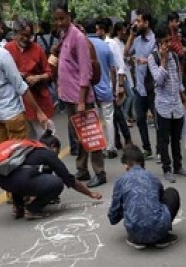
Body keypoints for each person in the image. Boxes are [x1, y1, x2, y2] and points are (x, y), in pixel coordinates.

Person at [0, 9, 50, 147]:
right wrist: (38, 111)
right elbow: (20, 87)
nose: (1, 29)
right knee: (19, 153)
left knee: (5, 152)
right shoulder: (2, 53)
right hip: (11, 112)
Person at [49, 1, 106, 188]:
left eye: (62, 18)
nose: (58, 22)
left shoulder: (78, 37)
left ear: (69, 16)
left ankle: (99, 171)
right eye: (56, 19)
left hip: (79, 97)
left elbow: (85, 71)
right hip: (68, 97)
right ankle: (82, 169)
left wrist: (82, 100)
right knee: (78, 136)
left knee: (90, 134)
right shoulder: (63, 35)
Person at [0, 132, 102, 219]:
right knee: (57, 183)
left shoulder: (28, 147)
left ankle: (18, 208)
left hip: (1, 179)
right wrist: (90, 194)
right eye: (57, 151)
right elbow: (69, 180)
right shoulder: (47, 154)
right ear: (53, 146)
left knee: (20, 174)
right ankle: (32, 209)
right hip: (20, 180)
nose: (57, 154)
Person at [109, 145, 180, 249]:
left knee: (126, 199)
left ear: (126, 166)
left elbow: (113, 218)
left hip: (134, 233)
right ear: (143, 164)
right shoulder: (153, 177)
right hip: (159, 230)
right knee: (172, 192)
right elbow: (160, 198)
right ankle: (163, 236)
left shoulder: (121, 181)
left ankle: (138, 238)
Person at [149, 24, 186, 183]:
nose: (168, 44)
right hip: (163, 106)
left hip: (176, 105)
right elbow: (158, 81)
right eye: (165, 41)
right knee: (163, 139)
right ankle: (167, 169)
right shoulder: (152, 58)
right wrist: (163, 60)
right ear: (158, 42)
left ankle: (178, 166)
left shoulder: (174, 56)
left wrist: (184, 98)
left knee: (176, 138)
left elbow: (178, 79)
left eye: (169, 40)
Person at [6, 18, 56, 140]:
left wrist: (38, 77)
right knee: (28, 142)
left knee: (47, 139)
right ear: (15, 33)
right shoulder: (7, 50)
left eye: (29, 36)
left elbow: (49, 73)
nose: (26, 39)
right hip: (19, 104)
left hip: (39, 99)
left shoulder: (37, 49)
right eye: (22, 35)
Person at [124, 9, 157, 159]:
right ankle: (147, 148)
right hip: (140, 87)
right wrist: (131, 35)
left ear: (147, 23)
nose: (136, 23)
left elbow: (159, 59)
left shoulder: (154, 40)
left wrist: (148, 60)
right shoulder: (136, 39)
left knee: (158, 120)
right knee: (140, 119)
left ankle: (160, 150)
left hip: (154, 87)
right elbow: (126, 53)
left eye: (139, 21)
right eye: (135, 21)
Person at [85, 19, 119, 160]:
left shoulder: (83, 46)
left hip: (89, 90)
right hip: (105, 88)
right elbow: (113, 69)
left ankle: (100, 146)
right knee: (109, 118)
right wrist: (114, 87)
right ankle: (111, 147)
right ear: (96, 29)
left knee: (94, 120)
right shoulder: (105, 46)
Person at [100, 19, 133, 152]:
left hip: (113, 84)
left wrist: (119, 86)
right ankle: (117, 140)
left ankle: (126, 138)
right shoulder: (101, 44)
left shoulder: (112, 44)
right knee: (112, 115)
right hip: (105, 83)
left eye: (99, 29)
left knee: (117, 113)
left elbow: (120, 66)